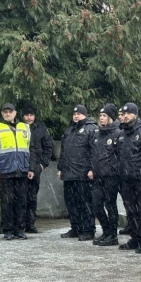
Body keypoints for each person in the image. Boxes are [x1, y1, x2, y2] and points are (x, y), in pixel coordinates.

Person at [0, 103, 33, 240]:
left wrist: (32, 168)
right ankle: (8, 230)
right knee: (7, 202)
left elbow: (32, 149)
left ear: (15, 113)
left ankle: (19, 229)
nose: (8, 114)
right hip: (5, 170)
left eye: (10, 112)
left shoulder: (25, 127)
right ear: (2, 113)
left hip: (22, 170)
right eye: (5, 112)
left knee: (21, 201)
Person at [117, 103, 141, 251]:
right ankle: (135, 238)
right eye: (123, 113)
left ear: (135, 114)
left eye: (128, 113)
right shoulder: (122, 133)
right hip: (126, 178)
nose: (125, 116)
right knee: (131, 211)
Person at [58, 105, 97, 241]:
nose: (76, 116)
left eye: (79, 114)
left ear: (85, 115)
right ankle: (76, 227)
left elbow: (94, 151)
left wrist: (92, 169)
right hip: (69, 174)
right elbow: (63, 152)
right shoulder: (69, 130)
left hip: (83, 174)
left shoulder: (91, 129)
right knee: (71, 203)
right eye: (74, 114)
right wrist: (60, 168)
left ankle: (88, 229)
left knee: (85, 203)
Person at [91, 104, 121, 246]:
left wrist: (115, 169)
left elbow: (120, 155)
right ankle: (106, 230)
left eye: (104, 116)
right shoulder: (97, 133)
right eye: (100, 116)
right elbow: (93, 153)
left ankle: (113, 235)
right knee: (96, 205)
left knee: (110, 205)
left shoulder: (117, 133)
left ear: (110, 118)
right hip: (98, 176)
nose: (102, 118)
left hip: (111, 175)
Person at [22, 106, 53, 233]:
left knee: (32, 196)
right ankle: (18, 223)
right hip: (20, 166)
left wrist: (42, 165)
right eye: (26, 115)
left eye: (31, 115)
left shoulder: (41, 128)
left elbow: (48, 147)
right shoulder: (19, 127)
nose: (29, 117)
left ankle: (30, 223)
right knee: (18, 197)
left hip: (35, 167)